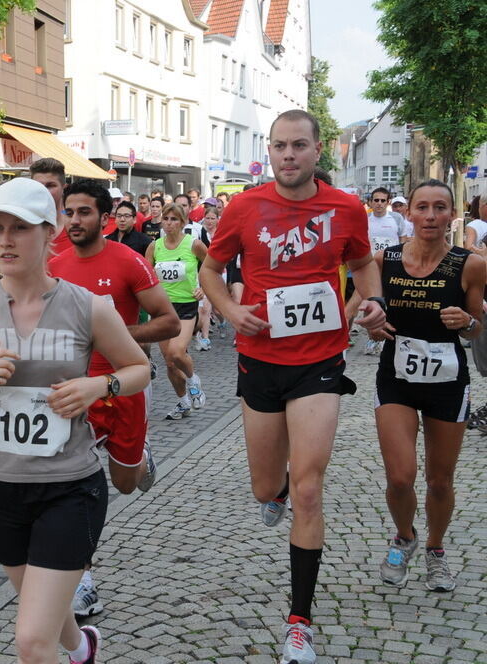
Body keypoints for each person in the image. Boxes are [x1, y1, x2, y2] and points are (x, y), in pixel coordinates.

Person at [0, 176, 150, 664]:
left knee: (30, 639)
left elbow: (139, 369)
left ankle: (70, 646)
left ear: (49, 233)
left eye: (19, 228)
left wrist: (96, 386)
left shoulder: (87, 306)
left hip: (69, 486)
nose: (4, 239)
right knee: (41, 606)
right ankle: (82, 647)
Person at [199, 109, 387, 664]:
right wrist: (231, 311)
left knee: (309, 488)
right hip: (260, 358)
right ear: (270, 150)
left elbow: (363, 265)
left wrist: (370, 302)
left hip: (319, 360)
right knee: (268, 488)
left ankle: (299, 623)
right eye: (279, 146)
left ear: (317, 149)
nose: (288, 155)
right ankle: (273, 491)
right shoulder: (244, 207)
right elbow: (211, 271)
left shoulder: (346, 208)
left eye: (298, 146)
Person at [48, 178, 179, 618]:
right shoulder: (57, 267)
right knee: (74, 485)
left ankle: (139, 455)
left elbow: (169, 323)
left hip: (123, 386)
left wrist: (118, 336)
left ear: (105, 218)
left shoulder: (127, 262)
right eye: (70, 212)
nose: (75, 220)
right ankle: (84, 579)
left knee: (125, 483)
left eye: (84, 212)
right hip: (75, 390)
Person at [370, 179, 485, 593]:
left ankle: (435, 550)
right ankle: (405, 536)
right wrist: (373, 323)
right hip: (396, 379)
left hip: (447, 383)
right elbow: (367, 310)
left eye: (440, 208)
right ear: (409, 213)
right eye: (422, 207)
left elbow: (476, 328)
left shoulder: (469, 263)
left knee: (440, 481)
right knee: (400, 476)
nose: (431, 216)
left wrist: (467, 323)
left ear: (452, 214)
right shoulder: (386, 260)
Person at [145, 203, 209, 419]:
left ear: (183, 222)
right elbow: (144, 277)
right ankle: (183, 402)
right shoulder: (155, 246)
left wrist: (203, 289)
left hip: (186, 305)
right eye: (166, 219)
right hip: (162, 307)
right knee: (170, 362)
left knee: (177, 352)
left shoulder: (194, 244)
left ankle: (193, 380)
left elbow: (212, 268)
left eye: (174, 219)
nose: (169, 223)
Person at [350, 187, 401, 356]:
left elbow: (404, 241)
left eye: (382, 200)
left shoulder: (396, 219)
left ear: (388, 203)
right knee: (370, 301)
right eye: (376, 200)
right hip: (370, 267)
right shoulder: (364, 219)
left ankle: (391, 338)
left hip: (392, 266)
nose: (379, 203)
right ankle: (372, 339)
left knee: (390, 303)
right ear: (370, 202)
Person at [29, 158, 72, 255]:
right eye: (38, 186)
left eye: (50, 185)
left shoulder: (77, 227)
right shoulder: (22, 228)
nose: (44, 191)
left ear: (63, 188)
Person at [195, 206, 221, 350]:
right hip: (203, 271)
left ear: (218, 219)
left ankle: (222, 323)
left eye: (213, 218)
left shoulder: (222, 232)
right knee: (204, 307)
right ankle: (205, 338)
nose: (209, 221)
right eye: (207, 218)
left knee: (217, 310)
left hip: (220, 271)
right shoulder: (200, 231)